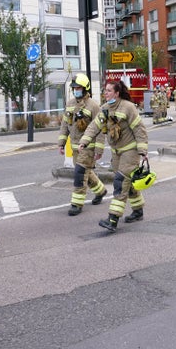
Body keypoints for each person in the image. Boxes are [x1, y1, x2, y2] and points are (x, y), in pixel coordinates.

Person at [79, 80, 149, 232]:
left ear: (117, 93)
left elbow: (139, 128)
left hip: (130, 152)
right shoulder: (104, 108)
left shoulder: (128, 107)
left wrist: (143, 150)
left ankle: (113, 218)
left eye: (109, 90)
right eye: (105, 90)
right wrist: (84, 141)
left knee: (120, 182)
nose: (106, 93)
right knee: (128, 183)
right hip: (117, 152)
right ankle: (138, 211)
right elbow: (94, 126)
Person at [58, 73, 107, 216]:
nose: (75, 90)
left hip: (88, 148)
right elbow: (64, 125)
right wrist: (61, 143)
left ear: (85, 89)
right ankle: (101, 191)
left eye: (78, 88)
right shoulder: (70, 104)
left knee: (80, 173)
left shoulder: (93, 106)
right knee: (86, 172)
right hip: (74, 148)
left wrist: (99, 148)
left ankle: (76, 204)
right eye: (74, 88)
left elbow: (101, 129)